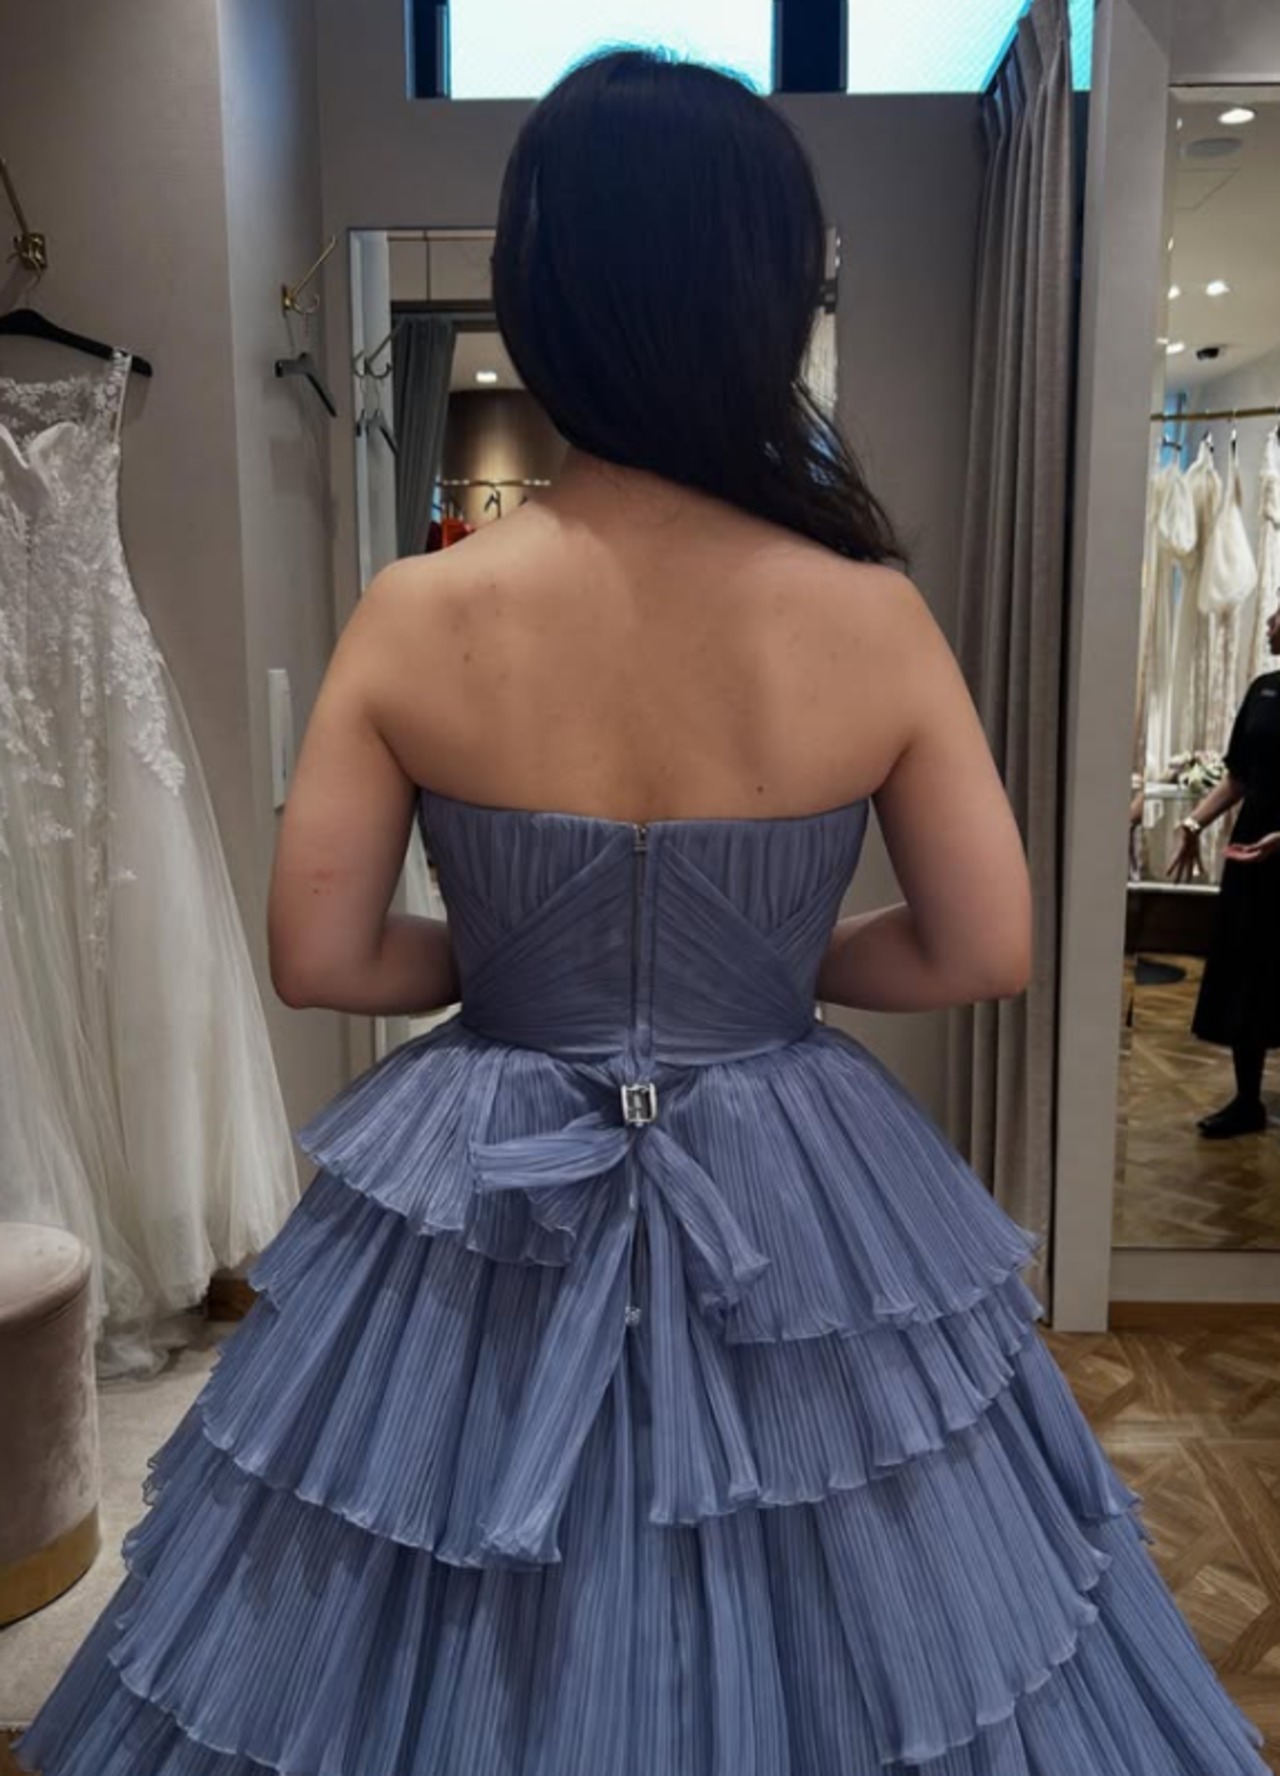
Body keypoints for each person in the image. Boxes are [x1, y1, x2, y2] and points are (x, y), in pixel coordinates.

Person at [14, 48, 1269, 1776]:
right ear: (767, 301)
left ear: (544, 299)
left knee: (410, 1591)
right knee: (866, 1595)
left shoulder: (418, 610)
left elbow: (325, 954)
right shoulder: (870, 612)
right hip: (791, 1155)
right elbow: (982, 945)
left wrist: (534, 965)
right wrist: (763, 970)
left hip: (485, 1165)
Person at [1168, 597, 1280, 1138]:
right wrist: (1194, 823)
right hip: (1253, 853)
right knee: (1246, 972)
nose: (1270, 622)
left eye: (1279, 615)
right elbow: (1237, 777)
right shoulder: (1262, 689)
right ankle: (1247, 1102)